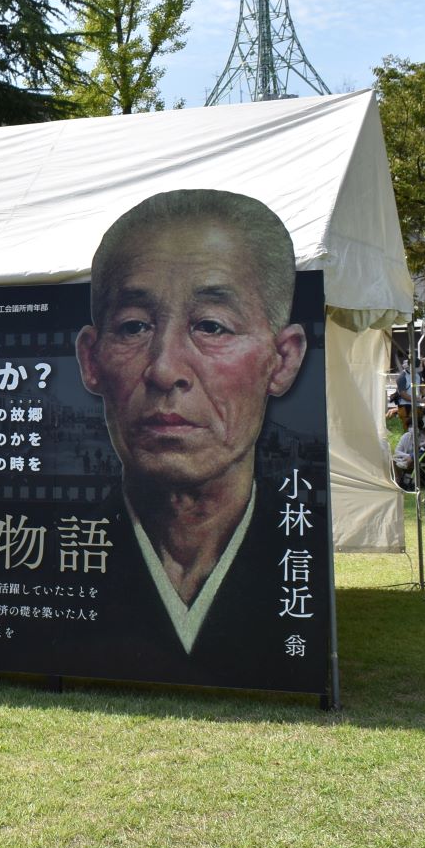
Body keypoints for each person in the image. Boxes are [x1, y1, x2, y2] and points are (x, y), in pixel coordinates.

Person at [74, 189, 308, 680]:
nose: (164, 370)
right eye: (134, 327)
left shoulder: (299, 555)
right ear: (91, 360)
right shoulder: (52, 559)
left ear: (282, 359)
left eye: (211, 326)